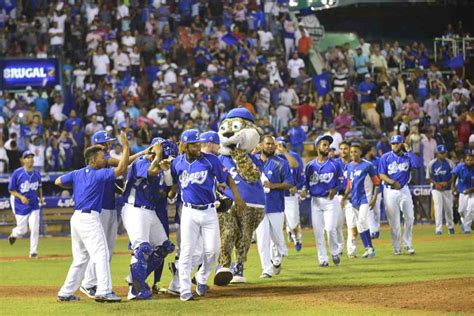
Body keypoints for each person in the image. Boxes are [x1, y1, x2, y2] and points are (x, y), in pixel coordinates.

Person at [169, 129, 245, 301]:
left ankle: (201, 278)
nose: (198, 147)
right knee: (187, 251)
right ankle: (185, 290)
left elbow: (227, 179)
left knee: (212, 251)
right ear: (185, 145)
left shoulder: (211, 160)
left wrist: (238, 198)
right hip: (189, 211)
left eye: (198, 143)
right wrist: (172, 192)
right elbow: (176, 181)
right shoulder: (177, 163)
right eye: (194, 144)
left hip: (209, 210)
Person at [54, 131, 130, 303]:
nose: (105, 160)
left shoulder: (77, 173)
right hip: (89, 218)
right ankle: (103, 290)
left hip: (77, 219)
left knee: (81, 258)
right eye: (102, 157)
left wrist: (78, 184)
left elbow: (58, 181)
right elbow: (122, 169)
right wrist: (125, 146)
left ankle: (65, 292)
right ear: (93, 160)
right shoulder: (98, 174)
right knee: (101, 255)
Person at [80, 130, 146, 299]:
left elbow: (124, 164)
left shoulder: (105, 160)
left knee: (107, 249)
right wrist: (135, 150)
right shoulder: (102, 160)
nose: (108, 145)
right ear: (97, 146)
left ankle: (94, 282)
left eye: (108, 143)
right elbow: (123, 164)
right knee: (99, 249)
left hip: (109, 207)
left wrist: (143, 153)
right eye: (105, 143)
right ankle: (89, 283)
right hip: (99, 209)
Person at [121, 138, 175, 300]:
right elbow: (151, 172)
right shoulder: (141, 162)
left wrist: (167, 170)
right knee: (142, 249)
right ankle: (135, 291)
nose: (166, 158)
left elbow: (169, 187)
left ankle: (136, 278)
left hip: (150, 212)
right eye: (165, 155)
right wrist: (158, 155)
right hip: (134, 209)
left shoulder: (160, 165)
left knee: (164, 247)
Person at [255, 136, 293, 278]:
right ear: (261, 145)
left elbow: (289, 183)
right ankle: (266, 269)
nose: (270, 146)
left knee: (277, 239)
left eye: (272, 144)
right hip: (259, 207)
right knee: (262, 238)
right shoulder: (253, 161)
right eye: (267, 144)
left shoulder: (281, 163)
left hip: (276, 206)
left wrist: (273, 186)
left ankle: (276, 260)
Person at [302, 135, 342, 267]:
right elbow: (306, 184)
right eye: (324, 144)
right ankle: (323, 259)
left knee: (330, 229)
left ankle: (335, 252)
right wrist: (304, 190)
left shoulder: (335, 165)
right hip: (315, 201)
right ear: (317, 146)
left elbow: (343, 182)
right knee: (318, 232)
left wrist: (335, 189)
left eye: (328, 145)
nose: (327, 147)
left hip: (330, 201)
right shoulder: (309, 166)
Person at [378, 135, 422, 255]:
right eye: (393, 143)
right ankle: (396, 247)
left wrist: (410, 151)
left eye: (397, 143)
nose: (395, 145)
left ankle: (407, 244)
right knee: (394, 222)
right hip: (390, 190)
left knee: (410, 217)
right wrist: (392, 182)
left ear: (402, 144)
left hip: (404, 190)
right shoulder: (385, 157)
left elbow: (418, 165)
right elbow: (381, 174)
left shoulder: (408, 157)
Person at [341, 143, 380, 258]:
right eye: (352, 152)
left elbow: (377, 183)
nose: (353, 154)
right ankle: (369, 248)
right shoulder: (349, 166)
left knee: (362, 220)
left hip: (365, 198)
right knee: (359, 225)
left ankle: (370, 248)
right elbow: (349, 184)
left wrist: (374, 198)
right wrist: (344, 197)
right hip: (354, 199)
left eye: (355, 151)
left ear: (360, 152)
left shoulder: (368, 165)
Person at [8, 151, 43, 258]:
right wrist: (21, 197)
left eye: (31, 157)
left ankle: (33, 251)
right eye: (27, 157)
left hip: (34, 204)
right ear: (23, 160)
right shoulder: (17, 173)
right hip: (20, 204)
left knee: (35, 227)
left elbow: (39, 187)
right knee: (22, 230)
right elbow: (11, 190)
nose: (30, 159)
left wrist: (41, 197)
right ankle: (14, 234)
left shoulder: (37, 173)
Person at [276, 137, 304, 251]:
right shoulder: (272, 157)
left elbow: (300, 174)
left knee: (293, 223)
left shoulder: (294, 156)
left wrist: (297, 187)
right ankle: (279, 250)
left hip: (290, 196)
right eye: (277, 144)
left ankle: (296, 237)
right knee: (276, 224)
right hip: (276, 195)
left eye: (281, 144)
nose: (279, 147)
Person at [334, 141, 357, 258]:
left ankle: (352, 251)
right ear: (339, 151)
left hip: (351, 198)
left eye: (345, 149)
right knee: (337, 226)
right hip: (337, 197)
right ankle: (339, 248)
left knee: (351, 225)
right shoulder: (334, 163)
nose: (343, 151)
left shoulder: (355, 164)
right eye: (341, 149)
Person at [428, 145, 455, 235]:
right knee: (438, 208)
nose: (443, 155)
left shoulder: (450, 163)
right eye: (441, 153)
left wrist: (447, 183)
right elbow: (429, 177)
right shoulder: (431, 163)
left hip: (447, 189)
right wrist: (436, 184)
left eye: (444, 153)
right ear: (437, 153)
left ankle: (450, 226)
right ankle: (438, 229)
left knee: (448, 208)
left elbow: (453, 176)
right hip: (436, 189)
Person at [452, 152, 474, 234]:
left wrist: (470, 190)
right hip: (462, 192)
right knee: (461, 211)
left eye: (471, 160)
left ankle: (467, 228)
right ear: (464, 160)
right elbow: (454, 176)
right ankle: (466, 223)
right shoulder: (460, 167)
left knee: (470, 208)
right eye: (467, 160)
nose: (469, 162)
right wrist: (454, 188)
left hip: (472, 193)